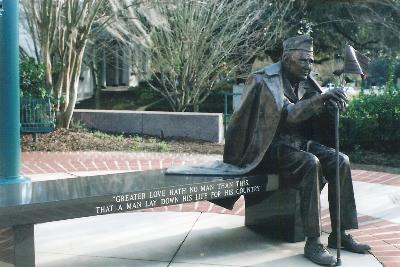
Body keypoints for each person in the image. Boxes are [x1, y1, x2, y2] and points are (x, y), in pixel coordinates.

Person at [223, 35, 370, 266]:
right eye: (303, 61)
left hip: (299, 145)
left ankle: (339, 234)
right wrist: (321, 99)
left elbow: (317, 121)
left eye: (311, 62)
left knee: (341, 160)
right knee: (310, 163)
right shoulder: (265, 80)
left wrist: (330, 109)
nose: (308, 66)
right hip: (269, 148)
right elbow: (288, 114)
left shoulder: (308, 81)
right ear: (286, 58)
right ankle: (313, 241)